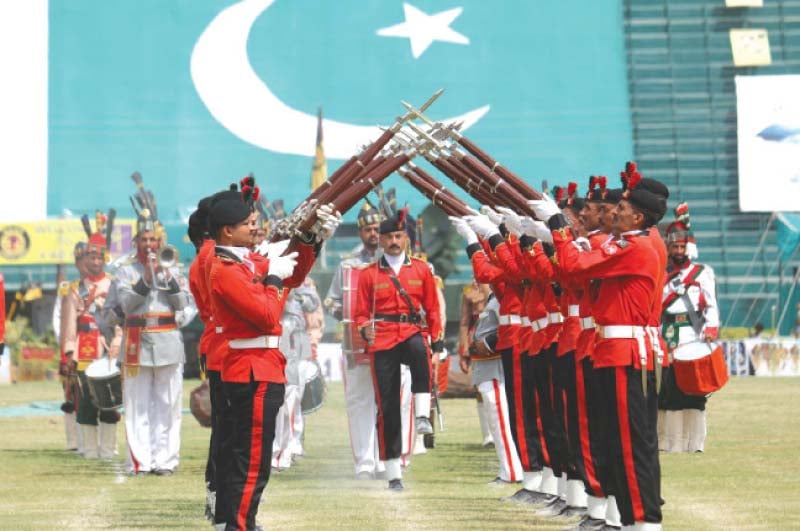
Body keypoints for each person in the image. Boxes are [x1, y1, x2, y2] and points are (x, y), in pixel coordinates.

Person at [530, 163, 670, 530]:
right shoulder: (632, 242)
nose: (613, 214)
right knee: (614, 441)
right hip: (613, 351)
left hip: (626, 353)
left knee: (629, 445)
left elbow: (575, 265)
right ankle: (627, 518)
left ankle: (644, 521)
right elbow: (573, 269)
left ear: (638, 215)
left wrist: (557, 226)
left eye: (621, 210)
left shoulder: (637, 245)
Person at [207, 185, 338, 530]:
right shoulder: (226, 269)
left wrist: (311, 240)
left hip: (260, 366)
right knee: (251, 460)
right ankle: (239, 524)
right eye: (245, 224)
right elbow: (267, 315)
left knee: (252, 457)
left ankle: (241, 521)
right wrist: (275, 275)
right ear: (227, 231)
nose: (254, 227)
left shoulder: (243, 261)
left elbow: (294, 275)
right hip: (251, 370)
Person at [325, 202, 416, 478]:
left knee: (393, 401)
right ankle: (364, 462)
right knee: (360, 402)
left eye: (378, 229)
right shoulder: (348, 265)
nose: (374, 234)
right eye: (368, 229)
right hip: (358, 343)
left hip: (394, 342)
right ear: (360, 233)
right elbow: (332, 300)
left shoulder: (402, 262)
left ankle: (387, 458)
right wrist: (345, 310)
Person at [354, 209, 444, 491]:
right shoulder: (368, 274)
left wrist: (437, 342)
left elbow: (432, 308)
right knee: (388, 406)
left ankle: (421, 416)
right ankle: (393, 472)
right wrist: (362, 328)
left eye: (398, 235)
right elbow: (359, 313)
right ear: (380, 240)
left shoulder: (420, 270)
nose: (394, 241)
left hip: (410, 332)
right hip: (382, 339)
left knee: (420, 352)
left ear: (405, 237)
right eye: (389, 236)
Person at [115, 204, 194, 475]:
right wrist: (146, 278)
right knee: (137, 405)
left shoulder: (175, 268)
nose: (149, 245)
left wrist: (168, 277)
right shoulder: (125, 271)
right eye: (144, 240)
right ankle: (140, 460)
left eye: (153, 240)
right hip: (137, 340)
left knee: (169, 403)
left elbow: (185, 303)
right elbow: (126, 305)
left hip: (168, 342)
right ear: (136, 241)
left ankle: (166, 460)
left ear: (160, 242)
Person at [59, 213, 122, 459]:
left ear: (104, 258)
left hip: (108, 347)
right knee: (85, 400)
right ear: (85, 258)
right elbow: (68, 326)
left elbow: (120, 319)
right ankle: (88, 449)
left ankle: (108, 449)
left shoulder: (115, 284)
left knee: (109, 399)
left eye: (99, 256)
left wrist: (118, 342)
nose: (95, 261)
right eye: (91, 256)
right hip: (83, 348)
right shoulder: (74, 289)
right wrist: (69, 353)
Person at [659, 203, 719, 453]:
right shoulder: (661, 273)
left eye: (682, 246)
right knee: (667, 392)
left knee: (695, 393)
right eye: (675, 246)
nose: (679, 251)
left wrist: (711, 330)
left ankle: (695, 443)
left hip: (693, 335)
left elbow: (711, 305)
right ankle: (669, 441)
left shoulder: (702, 273)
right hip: (666, 335)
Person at [457, 281, 494, 447]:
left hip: (497, 333)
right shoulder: (468, 289)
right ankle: (487, 435)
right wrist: (463, 350)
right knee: (480, 389)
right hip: (477, 336)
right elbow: (465, 321)